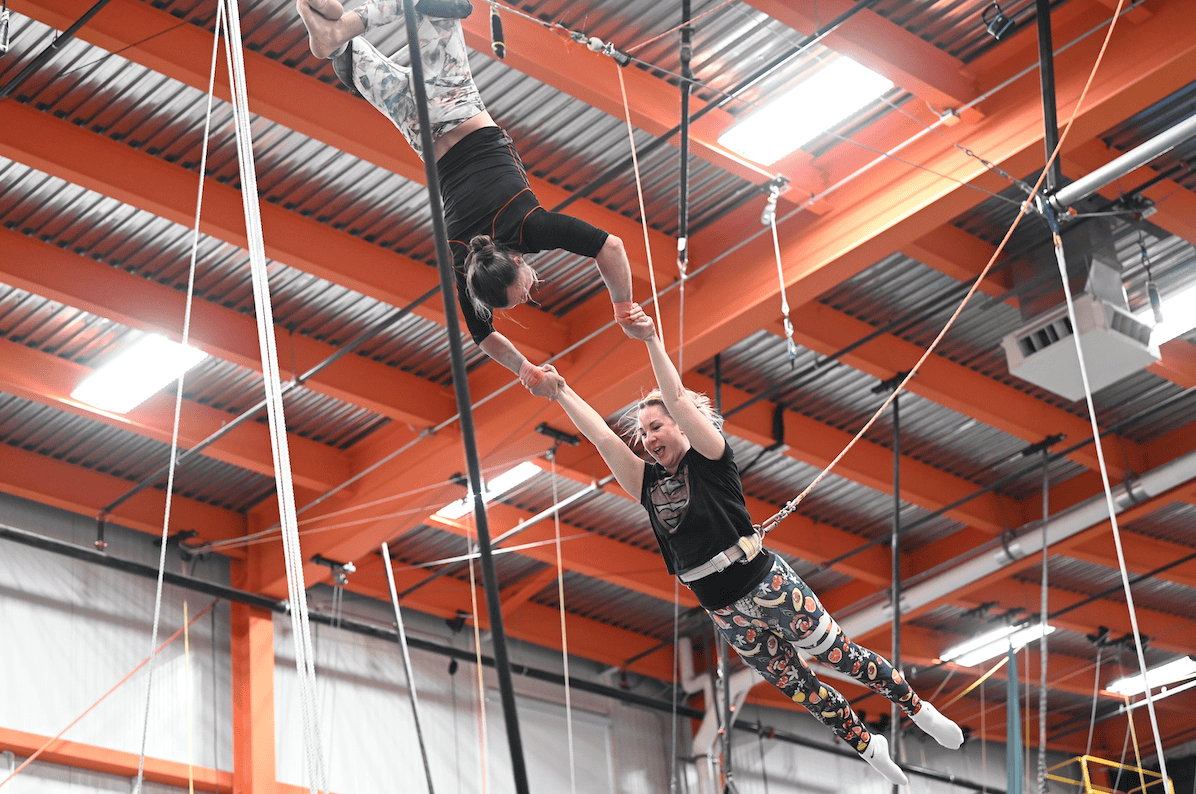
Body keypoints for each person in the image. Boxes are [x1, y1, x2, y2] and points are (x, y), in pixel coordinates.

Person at [546, 304, 965, 786]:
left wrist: (650, 340)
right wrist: (561, 392)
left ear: (681, 426)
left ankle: (917, 709)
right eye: (642, 433)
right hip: (723, 610)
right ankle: (868, 746)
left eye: (656, 426)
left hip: (766, 584)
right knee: (801, 689)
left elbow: (677, 397)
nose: (647, 438)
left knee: (838, 656)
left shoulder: (711, 458)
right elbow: (602, 437)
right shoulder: (646, 484)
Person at [297, 0, 638, 398]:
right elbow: (482, 336)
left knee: (448, 4)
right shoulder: (464, 262)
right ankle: (334, 33)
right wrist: (526, 372)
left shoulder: (530, 229)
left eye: (521, 293)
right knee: (341, 51)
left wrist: (623, 308)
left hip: (452, 101)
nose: (527, 295)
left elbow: (610, 247)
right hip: (417, 129)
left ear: (515, 261)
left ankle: (343, 27)